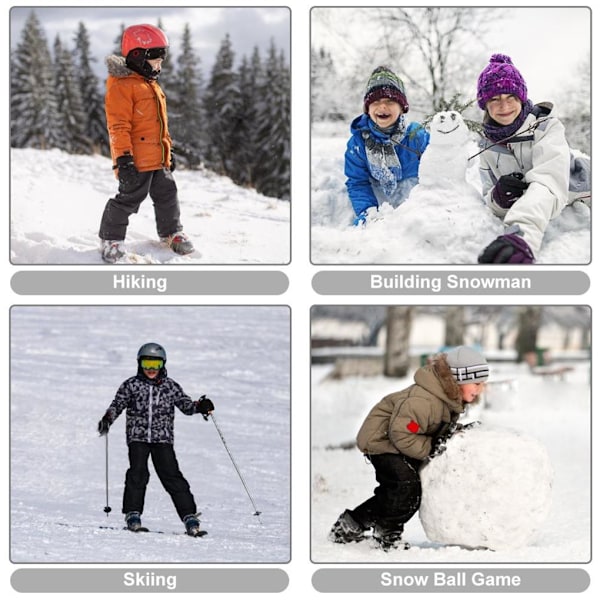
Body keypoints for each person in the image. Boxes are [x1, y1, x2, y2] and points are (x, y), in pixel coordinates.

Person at [328, 346, 488, 551]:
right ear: (457, 379)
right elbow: (404, 431)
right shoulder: (424, 400)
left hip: (401, 440)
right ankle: (387, 533)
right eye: (476, 383)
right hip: (382, 441)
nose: (480, 389)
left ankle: (350, 525)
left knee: (393, 492)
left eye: (483, 384)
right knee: (406, 487)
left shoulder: (447, 399)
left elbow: (430, 425)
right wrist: (432, 447)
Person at [475, 54, 590, 264]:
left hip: (584, 189)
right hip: (538, 208)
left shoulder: (546, 127)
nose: (504, 106)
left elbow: (549, 182)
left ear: (521, 97)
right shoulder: (486, 146)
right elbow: (488, 197)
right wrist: (499, 198)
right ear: (485, 105)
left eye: (511, 96)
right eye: (494, 99)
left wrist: (520, 236)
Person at [98, 24, 195, 263]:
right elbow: (118, 127)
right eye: (156, 60)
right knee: (129, 199)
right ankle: (111, 239)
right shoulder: (122, 87)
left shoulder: (151, 85)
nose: (160, 65)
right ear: (138, 56)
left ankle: (171, 233)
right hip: (136, 160)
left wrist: (167, 150)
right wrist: (123, 159)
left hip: (157, 157)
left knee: (168, 194)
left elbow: (160, 124)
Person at [97, 342, 215, 536]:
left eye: (156, 365)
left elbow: (185, 406)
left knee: (171, 475)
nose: (151, 370)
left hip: (163, 439)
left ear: (163, 365)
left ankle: (189, 516)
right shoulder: (132, 385)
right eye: (147, 364)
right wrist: (108, 418)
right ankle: (133, 514)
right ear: (139, 364)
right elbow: (117, 404)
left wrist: (200, 406)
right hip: (138, 437)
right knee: (138, 473)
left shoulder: (170, 386)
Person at [344, 66, 430, 226]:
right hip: (379, 202)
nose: (382, 107)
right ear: (367, 109)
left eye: (390, 101)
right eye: (375, 101)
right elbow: (357, 182)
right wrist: (367, 212)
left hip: (415, 211)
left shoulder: (417, 136)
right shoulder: (357, 144)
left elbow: (436, 172)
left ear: (402, 107)